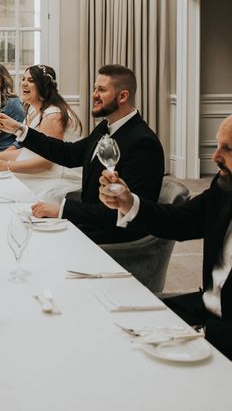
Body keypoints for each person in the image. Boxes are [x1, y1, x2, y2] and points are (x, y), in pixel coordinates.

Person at [99, 114, 232, 360]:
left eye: (228, 148)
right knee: (115, 328)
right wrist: (128, 203)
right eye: (217, 145)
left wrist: (200, 333)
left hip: (223, 333)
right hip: (203, 309)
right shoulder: (224, 188)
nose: (215, 157)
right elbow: (179, 221)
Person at [0, 64, 164, 243]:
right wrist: (20, 130)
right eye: (94, 89)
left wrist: (61, 210)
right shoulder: (106, 127)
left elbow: (122, 212)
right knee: (16, 225)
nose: (94, 95)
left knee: (30, 239)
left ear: (123, 96)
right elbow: (69, 154)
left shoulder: (143, 143)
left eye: (101, 90)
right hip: (89, 224)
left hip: (111, 240)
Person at [0, 64, 82, 202]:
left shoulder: (53, 115)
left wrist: (6, 166)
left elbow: (46, 162)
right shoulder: (33, 111)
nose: (24, 83)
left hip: (55, 179)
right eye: (23, 79)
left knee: (0, 195)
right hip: (41, 175)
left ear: (43, 86)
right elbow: (28, 152)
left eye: (31, 80)